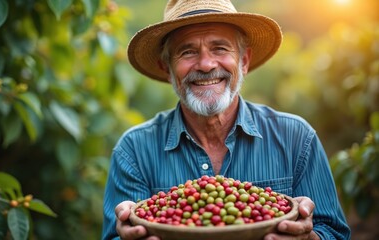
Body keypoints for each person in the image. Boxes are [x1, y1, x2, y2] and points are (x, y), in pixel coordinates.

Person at [102, 0, 351, 239]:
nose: (206, 65)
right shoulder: (133, 150)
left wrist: (306, 238)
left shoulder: (297, 138)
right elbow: (116, 235)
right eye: (187, 52)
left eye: (220, 48)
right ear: (167, 69)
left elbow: (334, 233)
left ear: (243, 61)